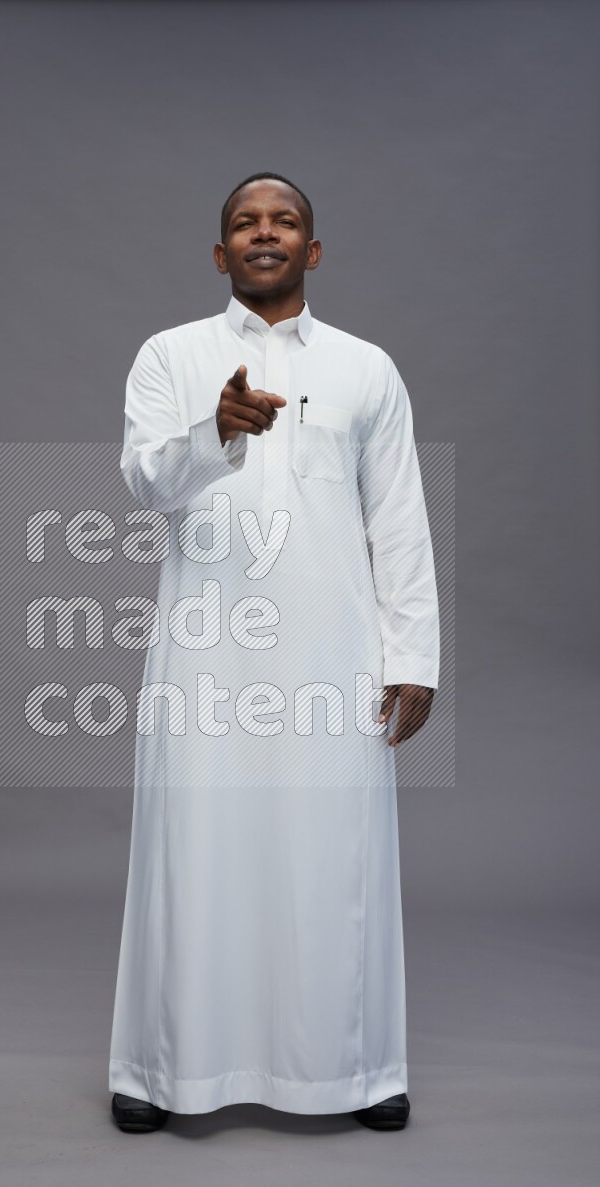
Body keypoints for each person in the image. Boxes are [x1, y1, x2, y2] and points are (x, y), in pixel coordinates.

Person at [109, 172, 439, 1134]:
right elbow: (143, 482)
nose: (265, 233)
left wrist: (410, 654)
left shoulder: (366, 368)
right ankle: (162, 1068)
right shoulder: (170, 356)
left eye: (284, 221)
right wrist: (213, 432)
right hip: (207, 654)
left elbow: (402, 521)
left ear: (313, 249)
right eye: (245, 224)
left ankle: (360, 1069)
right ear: (220, 255)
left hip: (334, 658)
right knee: (190, 853)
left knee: (336, 858)